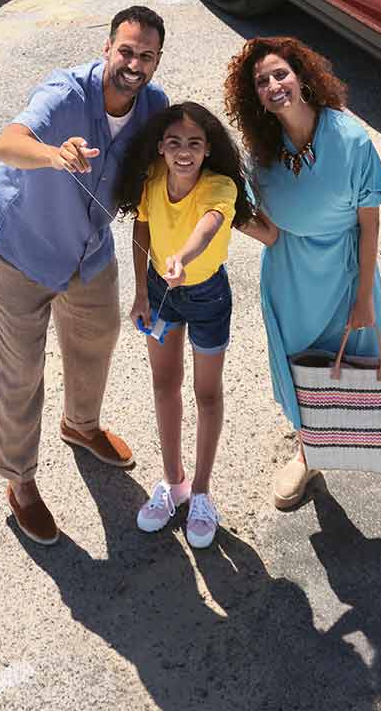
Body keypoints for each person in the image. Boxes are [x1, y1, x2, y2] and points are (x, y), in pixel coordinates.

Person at [223, 36, 381, 552]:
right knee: (307, 376)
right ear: (255, 97)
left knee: (375, 375)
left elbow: (370, 223)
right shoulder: (262, 153)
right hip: (288, 277)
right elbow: (272, 231)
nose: (274, 86)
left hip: (346, 273)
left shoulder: (349, 137)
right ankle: (309, 453)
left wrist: (364, 296)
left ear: (302, 76)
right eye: (262, 82)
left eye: (280, 74)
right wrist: (222, 209)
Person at [0, 6, 170, 546]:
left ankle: (80, 426)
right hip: (24, 248)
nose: (133, 64)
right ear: (107, 48)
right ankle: (20, 482)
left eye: (146, 56)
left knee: (98, 336)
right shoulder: (65, 94)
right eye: (126, 51)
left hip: (89, 250)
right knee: (20, 371)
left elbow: (162, 186)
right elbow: (5, 143)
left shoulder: (153, 108)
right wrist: (51, 154)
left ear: (156, 63)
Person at [112, 102, 255, 549]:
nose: (183, 152)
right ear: (160, 147)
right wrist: (140, 291)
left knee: (207, 394)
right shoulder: (153, 178)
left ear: (208, 148)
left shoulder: (221, 186)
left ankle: (202, 493)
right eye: (173, 143)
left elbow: (209, 227)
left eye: (194, 143)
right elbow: (143, 229)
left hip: (208, 296)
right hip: (159, 291)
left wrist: (184, 258)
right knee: (163, 384)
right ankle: (173, 484)